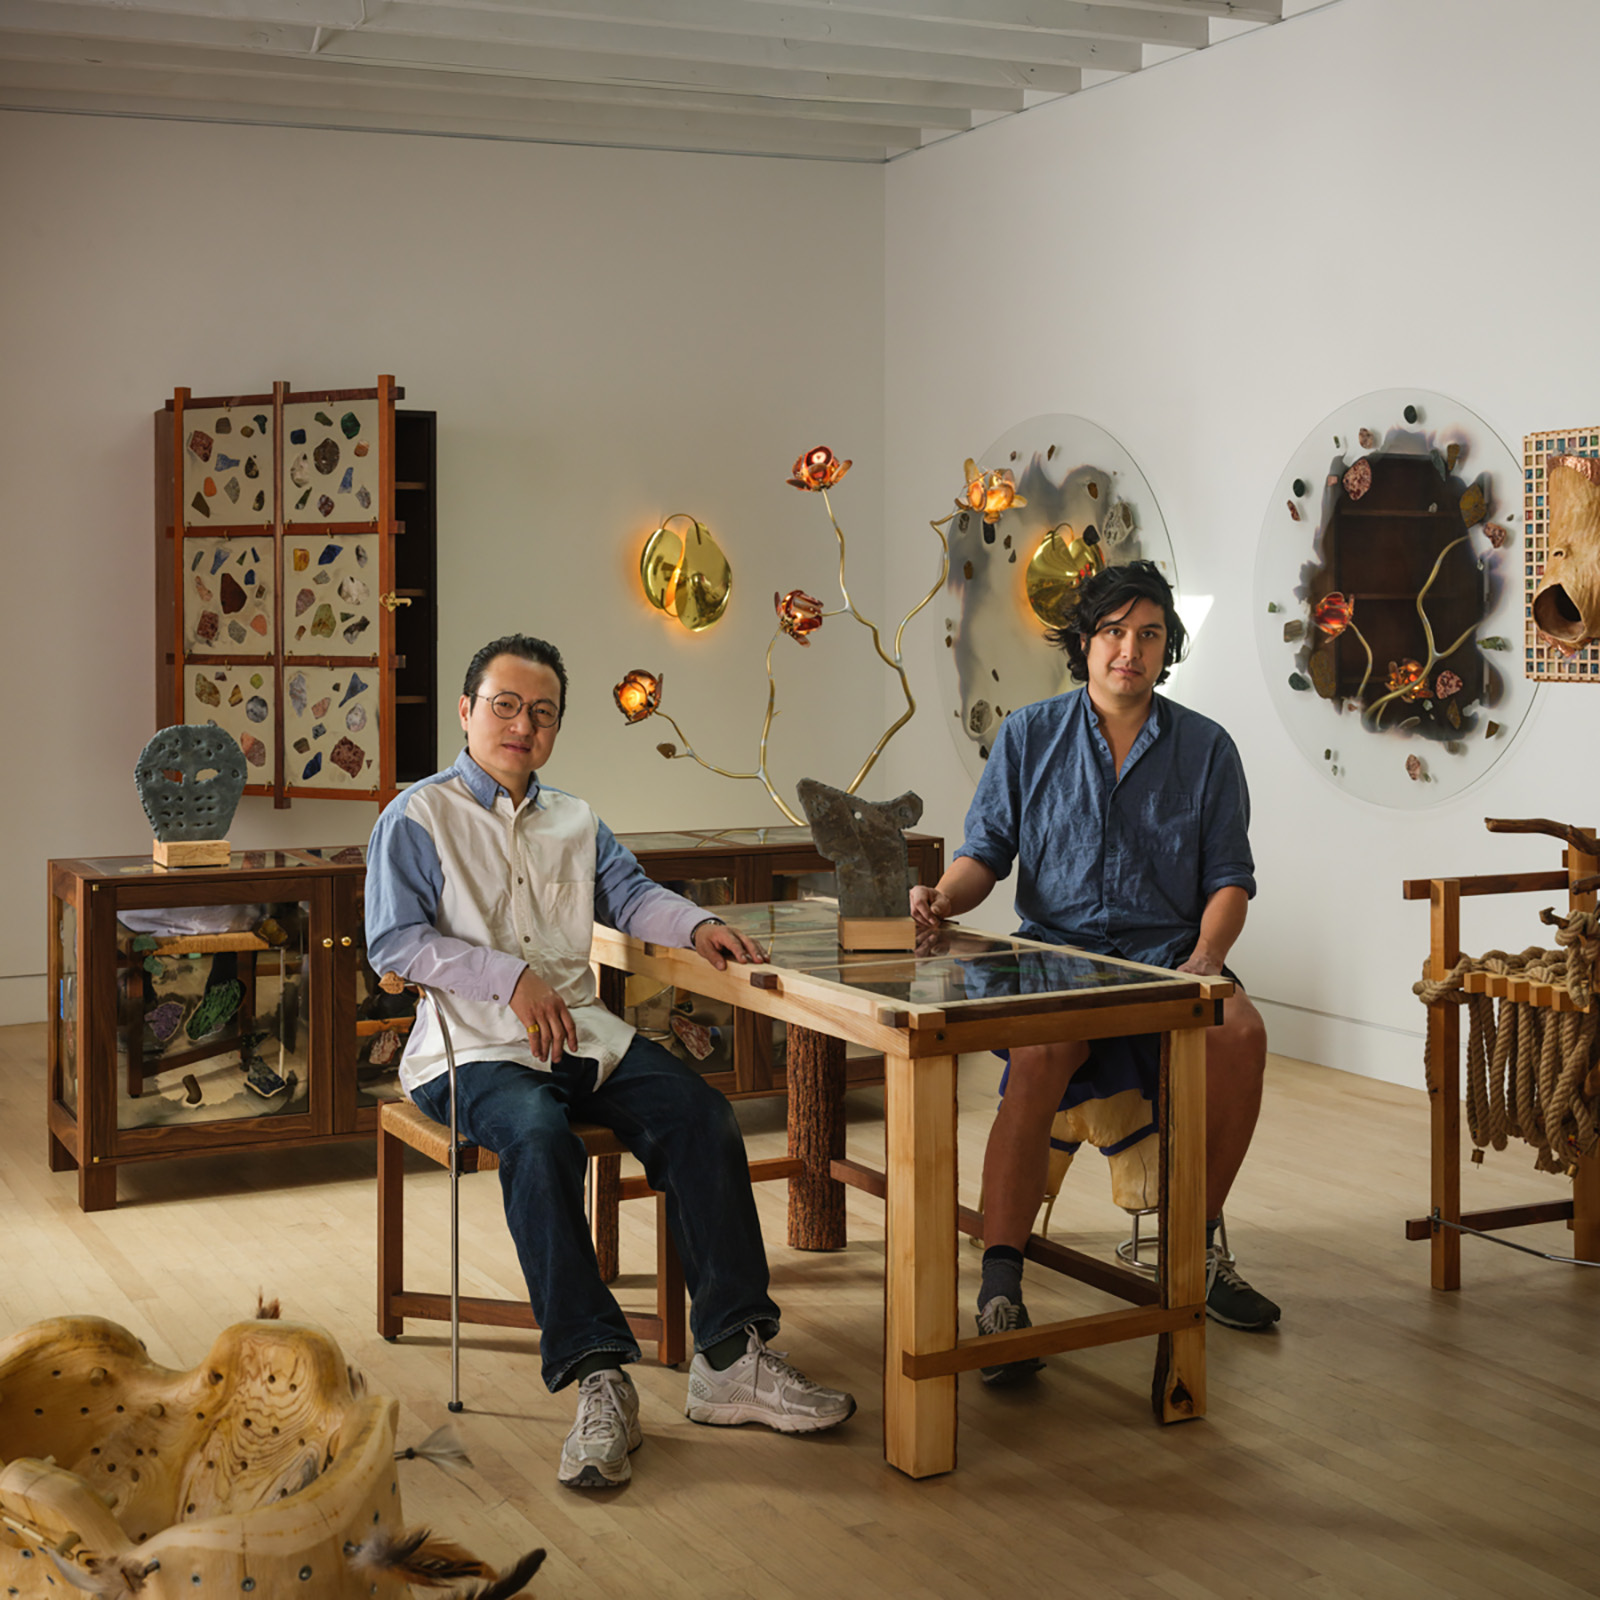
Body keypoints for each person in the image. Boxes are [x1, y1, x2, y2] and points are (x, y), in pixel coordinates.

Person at [366, 633, 854, 1489]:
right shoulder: (415, 817)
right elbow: (395, 941)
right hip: (469, 1049)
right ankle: (599, 1378)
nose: (524, 724)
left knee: (701, 1117)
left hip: (584, 1034)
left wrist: (695, 926)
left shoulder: (575, 819)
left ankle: (730, 1358)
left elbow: (630, 895)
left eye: (543, 712)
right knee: (539, 1138)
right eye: (507, 705)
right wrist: (507, 976)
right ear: (467, 711)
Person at [910, 561, 1277, 1383]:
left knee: (1242, 1033)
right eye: (1114, 632)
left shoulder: (1208, 747)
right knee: (1039, 1055)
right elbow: (983, 857)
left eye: (1149, 634)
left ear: (1166, 647)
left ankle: (1194, 1250)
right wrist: (942, 897)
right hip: (1057, 953)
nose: (1130, 650)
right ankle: (1000, 1284)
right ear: (1085, 642)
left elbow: (1230, 880)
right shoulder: (1028, 735)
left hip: (1169, 954)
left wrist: (1208, 965)